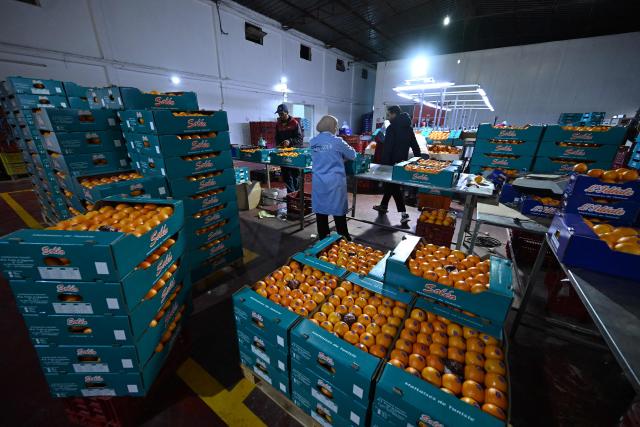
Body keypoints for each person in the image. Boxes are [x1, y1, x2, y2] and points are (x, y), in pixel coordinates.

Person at [309, 115, 356, 240]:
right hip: (334, 182)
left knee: (321, 214)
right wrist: (341, 158)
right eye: (336, 125)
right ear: (332, 126)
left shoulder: (313, 141)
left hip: (319, 181)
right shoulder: (337, 141)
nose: (337, 128)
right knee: (338, 214)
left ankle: (323, 242)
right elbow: (353, 155)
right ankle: (344, 241)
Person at [373, 105, 421, 224]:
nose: (387, 118)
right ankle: (383, 205)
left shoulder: (392, 128)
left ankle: (404, 214)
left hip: (390, 163)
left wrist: (383, 166)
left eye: (389, 115)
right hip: (402, 163)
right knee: (391, 185)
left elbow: (388, 148)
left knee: (394, 188)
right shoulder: (408, 128)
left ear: (394, 114)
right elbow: (415, 145)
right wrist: (418, 160)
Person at [274, 104, 304, 193]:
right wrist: (278, 146)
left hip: (294, 153)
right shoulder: (278, 124)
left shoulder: (294, 123)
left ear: (287, 112)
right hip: (284, 153)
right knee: (286, 175)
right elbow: (277, 138)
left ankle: (297, 194)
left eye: (282, 114)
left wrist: (289, 141)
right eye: (279, 114)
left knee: (296, 174)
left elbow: (299, 139)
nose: (280, 116)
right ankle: (290, 194)